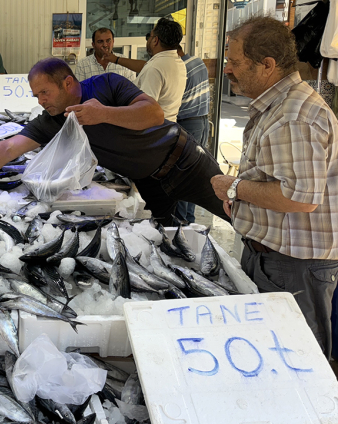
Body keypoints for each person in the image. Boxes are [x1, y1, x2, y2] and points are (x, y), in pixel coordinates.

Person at [0, 57, 228, 226]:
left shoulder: (107, 85)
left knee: (241, 215)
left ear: (67, 82)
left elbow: (153, 114)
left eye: (44, 92)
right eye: (36, 95)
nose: (40, 101)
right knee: (164, 234)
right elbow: (9, 147)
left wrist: (104, 114)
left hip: (185, 161)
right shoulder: (53, 119)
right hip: (149, 180)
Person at [210, 16, 338, 357]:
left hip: (294, 266)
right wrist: (244, 200)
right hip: (275, 258)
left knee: (299, 361)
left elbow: (300, 198)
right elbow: (278, 179)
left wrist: (235, 188)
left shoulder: (294, 115)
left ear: (267, 65)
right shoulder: (277, 106)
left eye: (235, 63)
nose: (228, 70)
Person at [104, 18, 186, 122]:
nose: (148, 40)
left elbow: (145, 110)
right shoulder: (177, 63)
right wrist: (116, 59)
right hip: (168, 126)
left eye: (149, 36)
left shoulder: (155, 68)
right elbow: (144, 66)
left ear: (155, 40)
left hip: (153, 131)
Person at [174, 47, 211, 223]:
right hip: (203, 121)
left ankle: (182, 222)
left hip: (188, 122)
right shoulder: (198, 62)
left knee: (182, 174)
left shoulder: (181, 68)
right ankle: (189, 219)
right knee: (194, 174)